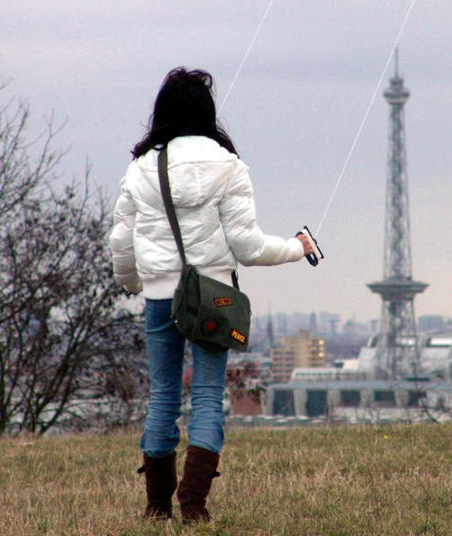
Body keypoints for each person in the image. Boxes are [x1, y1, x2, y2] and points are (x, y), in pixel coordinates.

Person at [109, 67, 312, 524]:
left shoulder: (141, 168)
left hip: (161, 297)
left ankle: (156, 507)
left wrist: (134, 284)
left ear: (160, 112)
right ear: (208, 112)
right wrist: (297, 249)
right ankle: (194, 507)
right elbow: (248, 247)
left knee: (162, 396)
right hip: (213, 296)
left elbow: (121, 244)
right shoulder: (229, 165)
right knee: (206, 395)